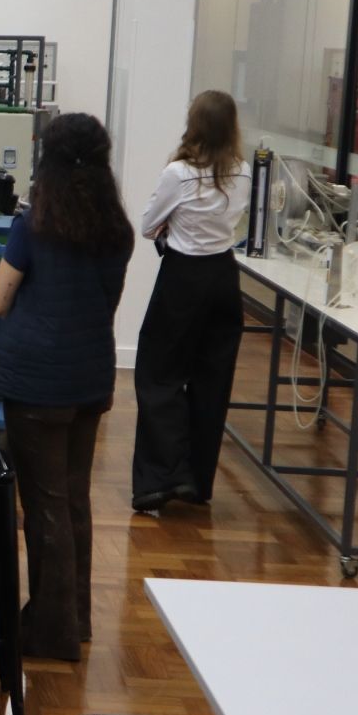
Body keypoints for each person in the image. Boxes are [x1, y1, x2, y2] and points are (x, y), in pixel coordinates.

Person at [0, 112, 133, 662]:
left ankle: (51, 631)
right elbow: (107, 304)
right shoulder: (116, 231)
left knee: (44, 505)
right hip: (90, 376)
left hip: (37, 381)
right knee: (74, 501)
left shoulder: (33, 225)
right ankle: (78, 617)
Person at [132, 90, 253, 511]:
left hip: (183, 276)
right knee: (212, 381)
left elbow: (148, 226)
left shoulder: (178, 173)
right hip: (224, 277)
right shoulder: (243, 173)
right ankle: (197, 481)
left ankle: (159, 480)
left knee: (159, 374)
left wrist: (173, 227)